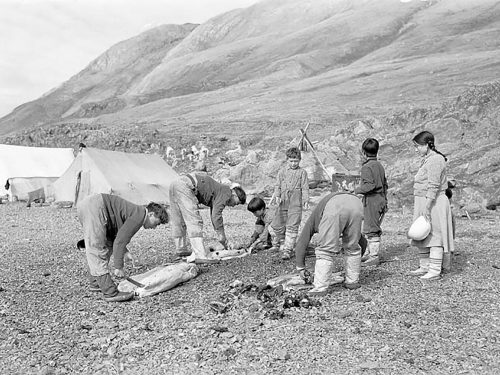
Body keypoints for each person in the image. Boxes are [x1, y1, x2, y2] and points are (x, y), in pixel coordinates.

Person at [77, 194, 169, 302]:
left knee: (108, 243)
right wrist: (118, 267)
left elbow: (117, 235)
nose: (154, 228)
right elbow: (120, 241)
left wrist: (124, 251)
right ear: (151, 214)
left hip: (91, 205)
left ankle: (96, 282)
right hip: (95, 207)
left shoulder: (136, 212)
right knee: (97, 249)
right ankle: (110, 292)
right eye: (156, 223)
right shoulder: (138, 216)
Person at [294, 191, 364, 295]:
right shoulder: (320, 212)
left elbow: (302, 242)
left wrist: (300, 267)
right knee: (353, 247)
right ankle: (352, 282)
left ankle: (320, 288)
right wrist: (356, 261)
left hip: (334, 207)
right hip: (356, 203)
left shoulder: (313, 220)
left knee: (325, 250)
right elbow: (361, 240)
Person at [169, 172, 246, 262]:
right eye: (236, 203)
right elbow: (217, 215)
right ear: (235, 195)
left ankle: (181, 250)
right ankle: (200, 255)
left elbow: (213, 213)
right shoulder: (226, 192)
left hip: (175, 183)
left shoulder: (219, 190)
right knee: (193, 220)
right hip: (186, 185)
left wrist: (218, 231)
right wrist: (221, 235)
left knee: (178, 220)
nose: (233, 206)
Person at [409, 131, 454, 280]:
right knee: (422, 233)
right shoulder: (428, 159)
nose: (416, 150)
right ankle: (425, 266)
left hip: (433, 202)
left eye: (418, 146)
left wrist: (427, 206)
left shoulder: (435, 160)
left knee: (435, 234)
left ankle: (434, 270)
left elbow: (433, 185)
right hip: (425, 200)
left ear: (427, 145)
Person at [269, 146, 309, 260]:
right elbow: (278, 185)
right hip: (284, 199)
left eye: (296, 161)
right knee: (277, 223)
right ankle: (282, 241)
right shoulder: (282, 172)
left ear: (300, 160)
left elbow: (305, 188)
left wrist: (305, 200)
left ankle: (288, 249)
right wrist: (277, 196)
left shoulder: (302, 173)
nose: (293, 164)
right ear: (287, 160)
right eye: (291, 161)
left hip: (296, 201)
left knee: (292, 224)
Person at [354, 138, 388, 267]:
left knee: (371, 229)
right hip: (380, 199)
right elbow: (385, 185)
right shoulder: (379, 166)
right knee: (372, 227)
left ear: (363, 152)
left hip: (372, 200)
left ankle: (374, 256)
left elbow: (370, 186)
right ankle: (370, 253)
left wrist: (356, 190)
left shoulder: (367, 167)